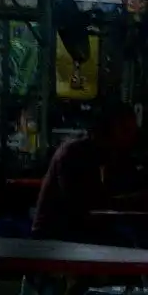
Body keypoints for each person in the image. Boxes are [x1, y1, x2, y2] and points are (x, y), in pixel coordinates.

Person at [33, 102, 146, 244]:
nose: (131, 138)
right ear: (106, 129)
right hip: (54, 239)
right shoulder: (74, 153)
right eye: (125, 130)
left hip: (84, 233)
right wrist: (132, 200)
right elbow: (82, 208)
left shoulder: (111, 155)